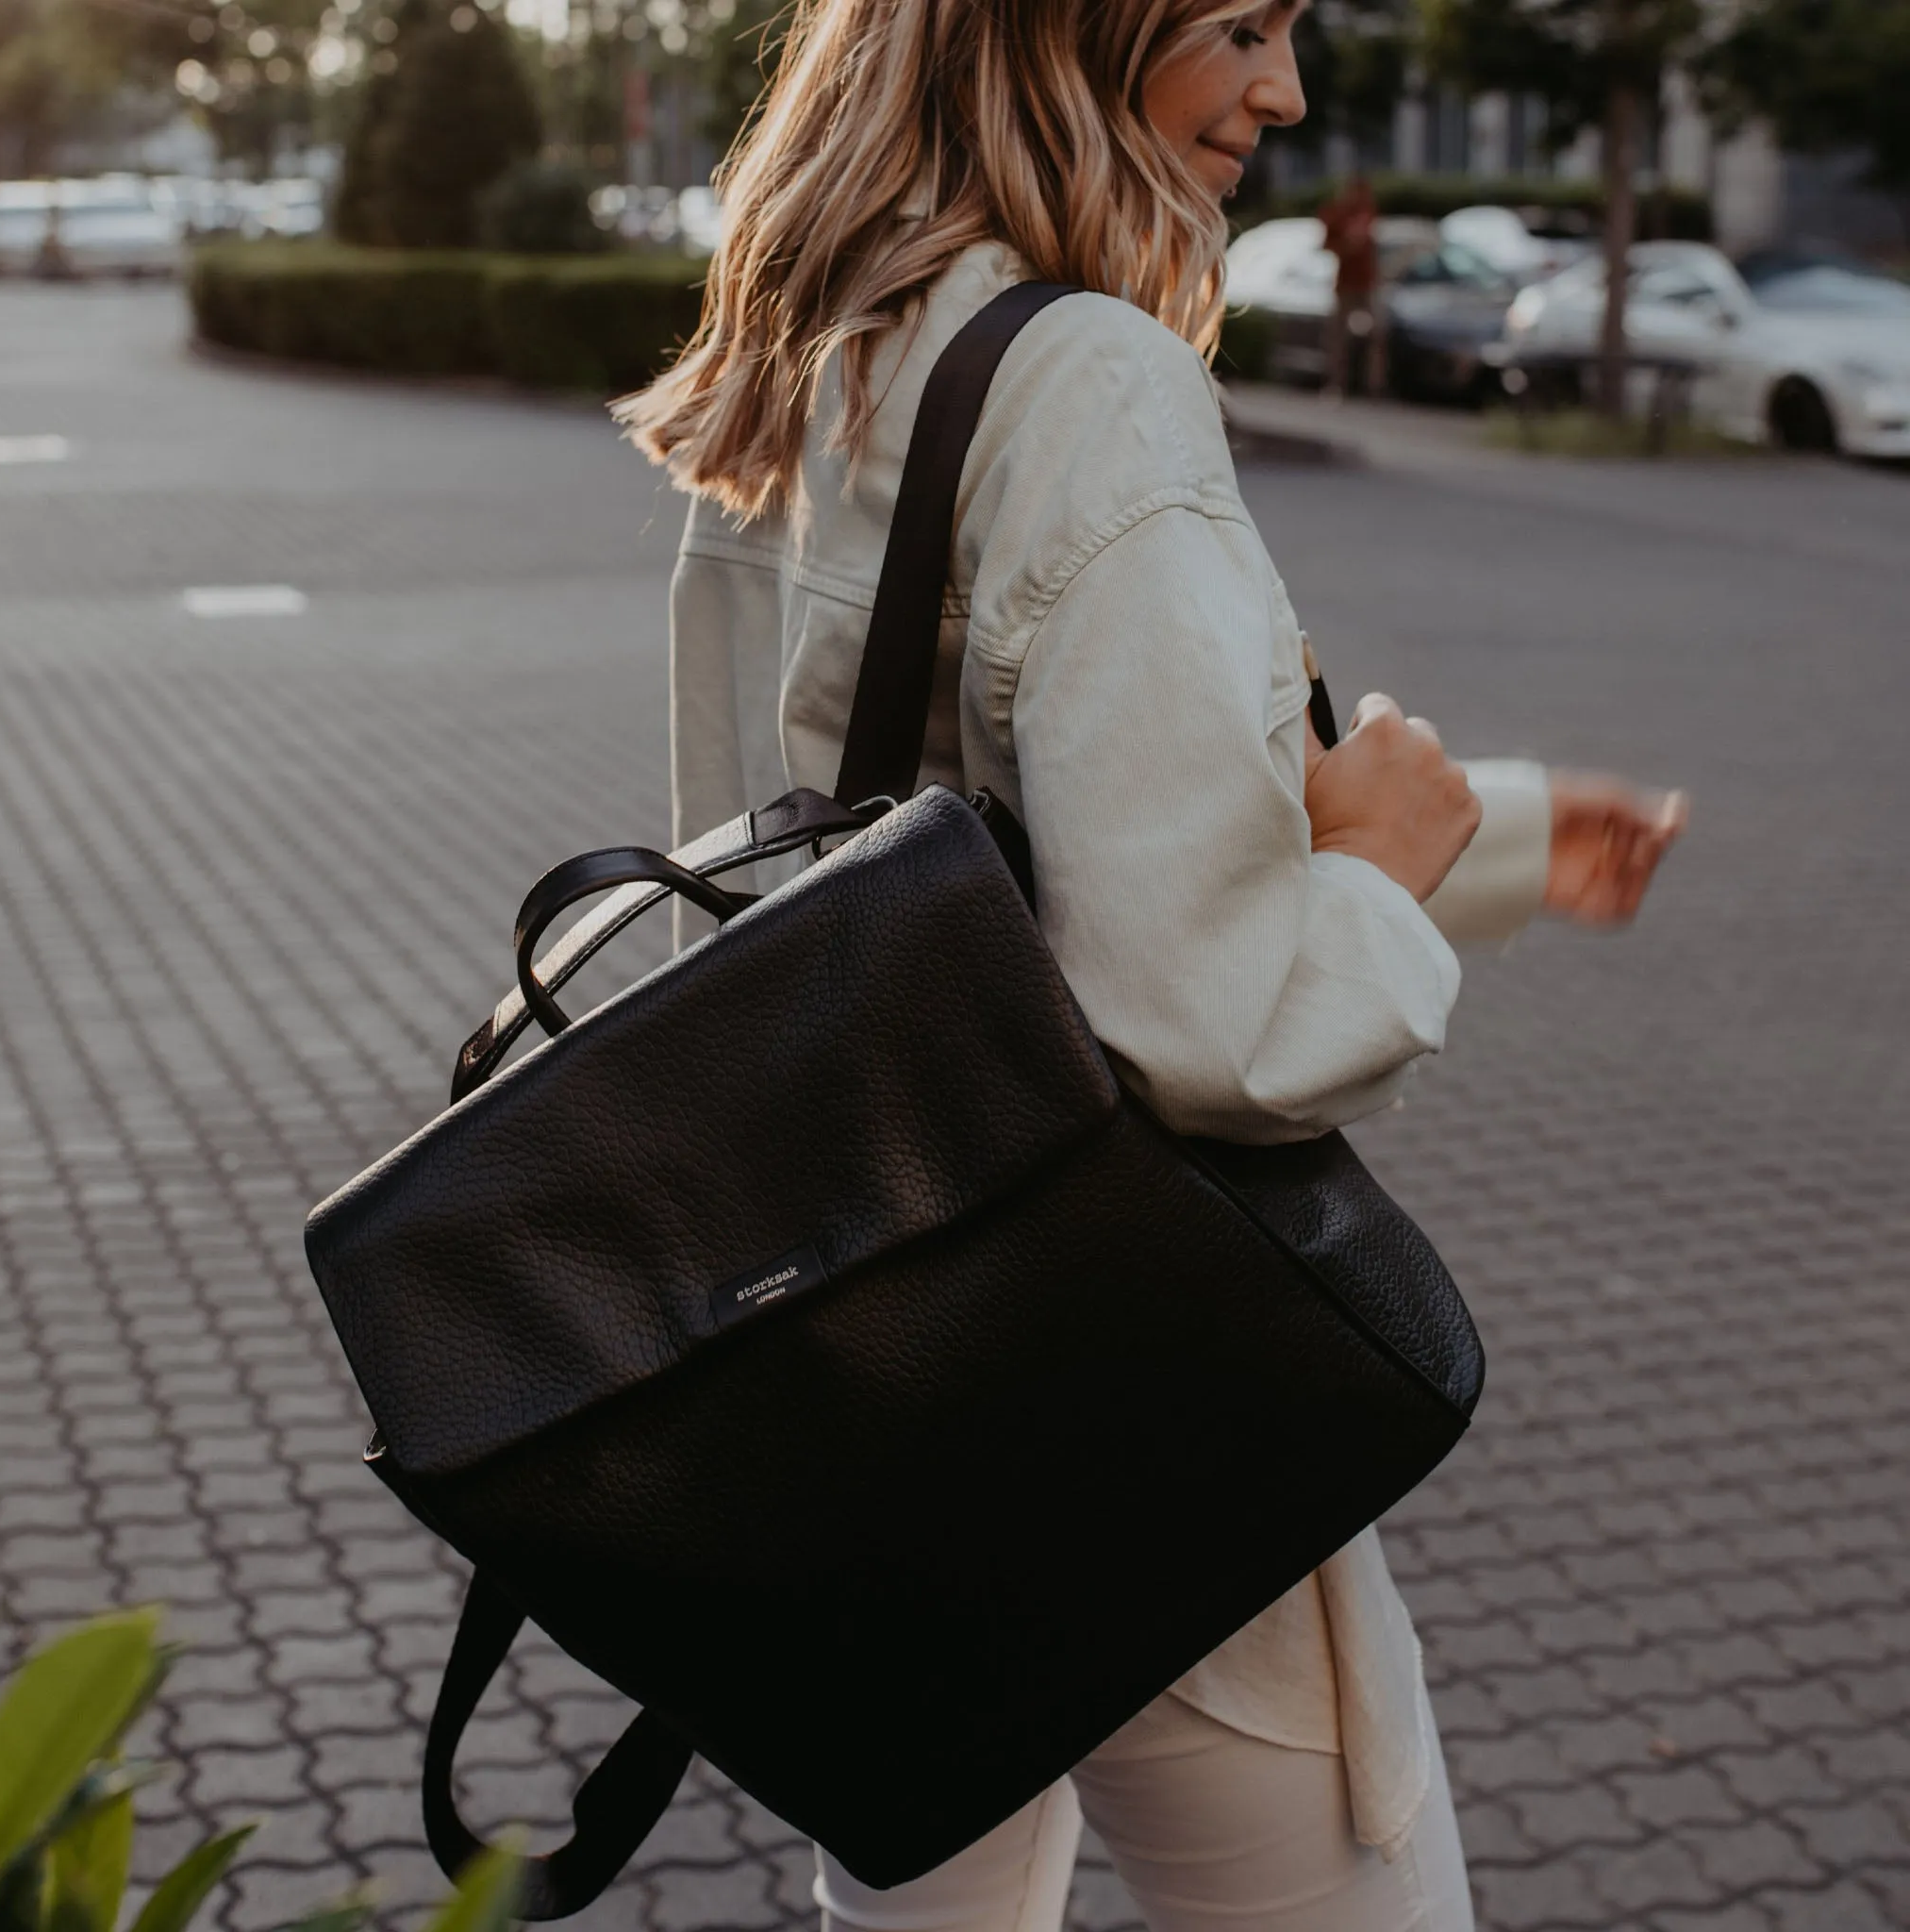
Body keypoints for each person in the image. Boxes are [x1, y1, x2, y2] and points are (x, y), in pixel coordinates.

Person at [618, 0, 1686, 1925]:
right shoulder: (1089, 378)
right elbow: (1207, 1020)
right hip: (1124, 1393)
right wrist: (1379, 877)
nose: (1284, 90)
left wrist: (1493, 835)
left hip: (870, 1366)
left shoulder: (816, 348)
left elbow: (964, 855)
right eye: (1236, 27)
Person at [1320, 171, 1386, 397]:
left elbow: (1371, 246)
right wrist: (1347, 245)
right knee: (1338, 337)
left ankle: (1373, 386)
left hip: (1366, 282)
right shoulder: (1337, 213)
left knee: (1376, 335)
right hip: (1346, 283)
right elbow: (1327, 245)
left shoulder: (1367, 212)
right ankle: (1337, 384)